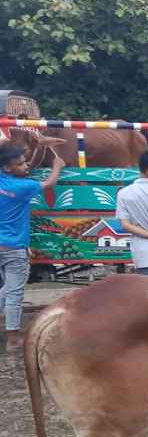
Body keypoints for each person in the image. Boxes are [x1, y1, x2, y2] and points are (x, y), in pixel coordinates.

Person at [0, 144, 64, 353]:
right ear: (8, 168)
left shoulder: (5, 181)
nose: (26, 165)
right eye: (20, 164)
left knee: (6, 289)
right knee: (15, 293)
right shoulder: (23, 187)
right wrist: (57, 166)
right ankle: (12, 338)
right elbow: (49, 183)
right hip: (14, 247)